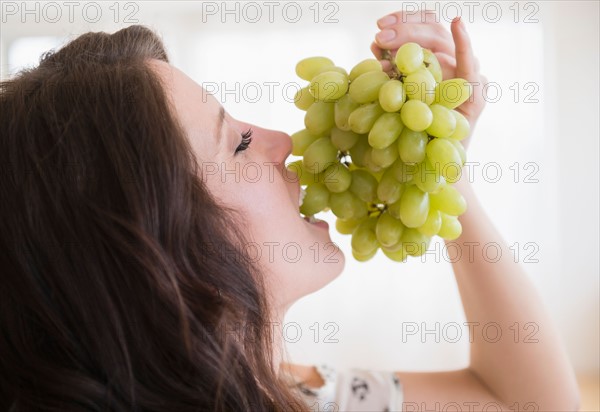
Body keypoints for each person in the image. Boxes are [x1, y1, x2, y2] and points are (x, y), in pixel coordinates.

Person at [0, 10, 579, 412]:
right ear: (155, 244)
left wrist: (441, 165)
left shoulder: (298, 392)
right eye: (239, 143)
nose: (285, 140)